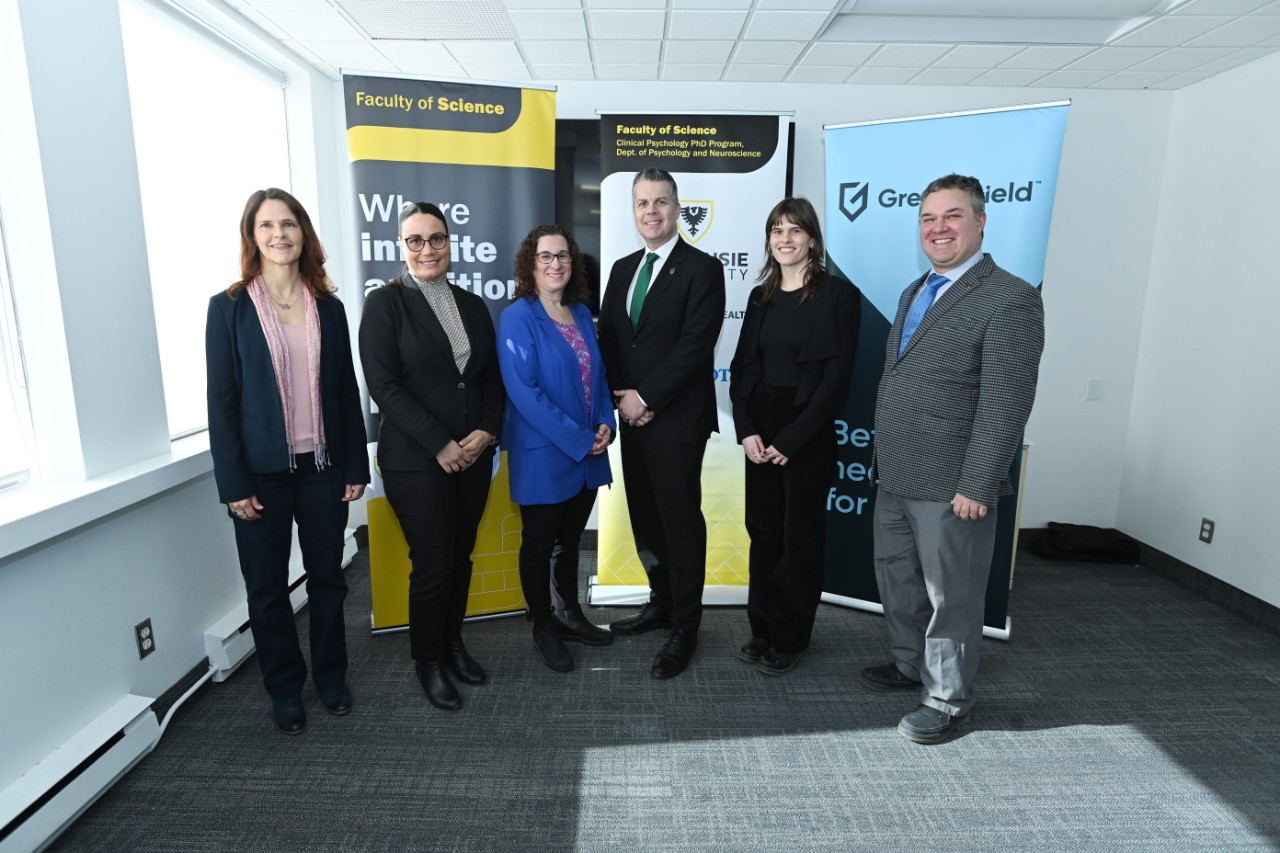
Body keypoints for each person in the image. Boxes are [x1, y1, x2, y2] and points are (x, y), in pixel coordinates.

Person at [862, 174, 1045, 744]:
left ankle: (948, 698)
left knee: (953, 596)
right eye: (928, 218)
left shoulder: (1011, 298)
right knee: (899, 581)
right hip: (896, 471)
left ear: (981, 221)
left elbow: (1005, 401)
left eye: (953, 216)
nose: (938, 228)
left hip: (952, 484)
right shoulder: (916, 288)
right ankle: (908, 664)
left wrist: (979, 481)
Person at [206, 188, 369, 735]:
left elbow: (345, 390)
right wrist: (232, 483)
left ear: (304, 234)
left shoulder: (329, 306)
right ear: (252, 237)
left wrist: (355, 467)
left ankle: (330, 678)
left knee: (328, 578)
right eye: (267, 225)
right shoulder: (227, 308)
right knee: (267, 588)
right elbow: (222, 402)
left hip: (323, 468)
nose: (280, 234)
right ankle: (284, 689)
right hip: (260, 476)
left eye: (289, 223)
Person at [358, 202, 503, 711]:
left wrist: (486, 431)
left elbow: (487, 378)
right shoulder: (385, 305)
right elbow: (384, 387)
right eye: (415, 241)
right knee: (434, 563)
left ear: (450, 242)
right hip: (418, 460)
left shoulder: (471, 304)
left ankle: (453, 643)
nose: (427, 250)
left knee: (460, 557)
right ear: (401, 247)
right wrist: (439, 442)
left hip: (474, 455)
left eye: (436, 238)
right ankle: (429, 661)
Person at [597, 168, 726, 679]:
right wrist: (622, 399)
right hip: (632, 418)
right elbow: (611, 336)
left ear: (677, 208)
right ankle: (662, 603)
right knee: (646, 518)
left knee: (679, 523)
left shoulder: (702, 268)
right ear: (633, 211)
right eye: (642, 203)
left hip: (676, 420)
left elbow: (696, 344)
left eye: (661, 202)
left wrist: (647, 397)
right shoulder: (623, 267)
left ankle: (686, 628)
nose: (651, 211)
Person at [729, 197, 860, 676]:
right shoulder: (760, 295)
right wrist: (748, 432)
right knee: (763, 534)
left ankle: (790, 637)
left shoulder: (838, 296)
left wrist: (792, 440)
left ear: (811, 238)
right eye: (777, 230)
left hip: (806, 430)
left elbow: (835, 381)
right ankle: (761, 629)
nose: (785, 239)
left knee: (798, 538)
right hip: (760, 430)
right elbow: (743, 370)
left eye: (795, 230)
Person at [497, 225, 616, 673]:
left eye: (563, 255)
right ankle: (543, 625)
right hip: (546, 452)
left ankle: (569, 614)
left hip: (588, 449)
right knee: (539, 543)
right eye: (545, 256)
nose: (555, 263)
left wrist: (605, 422)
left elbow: (600, 376)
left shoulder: (582, 313)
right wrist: (582, 439)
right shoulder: (518, 317)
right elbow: (524, 393)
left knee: (569, 543)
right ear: (531, 264)